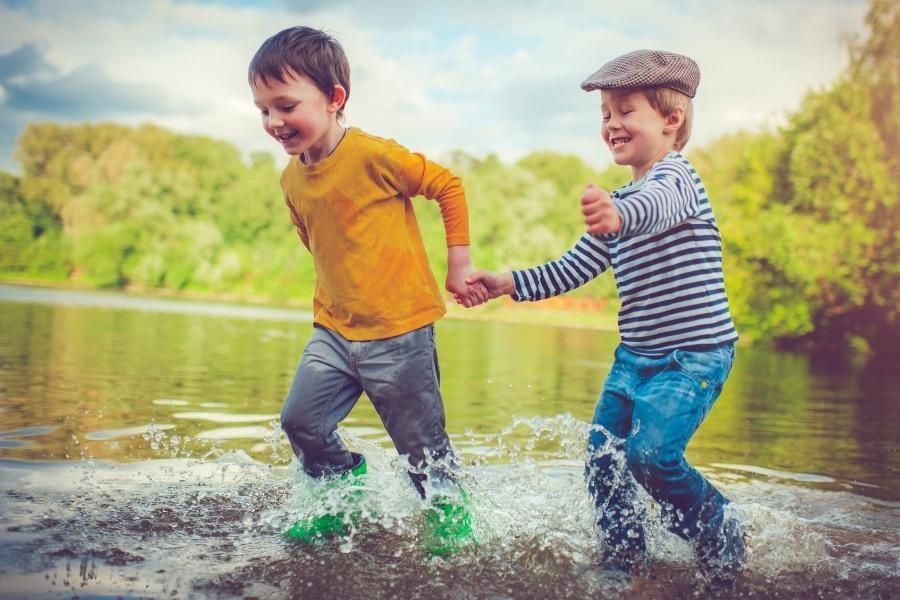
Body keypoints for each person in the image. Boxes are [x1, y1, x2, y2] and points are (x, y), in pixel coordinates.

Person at [463, 50, 746, 580]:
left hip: (693, 357)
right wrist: (508, 283)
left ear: (671, 119)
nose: (611, 123)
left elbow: (652, 208)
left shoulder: (677, 180)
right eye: (605, 115)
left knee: (650, 455)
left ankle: (718, 525)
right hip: (634, 359)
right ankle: (624, 555)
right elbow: (573, 268)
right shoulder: (621, 201)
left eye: (624, 110)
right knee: (603, 461)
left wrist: (620, 214)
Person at [248, 26, 485, 553]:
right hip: (333, 329)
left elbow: (446, 185)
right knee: (301, 422)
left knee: (421, 450)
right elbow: (315, 240)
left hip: (399, 330)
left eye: (286, 105)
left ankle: (451, 520)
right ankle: (342, 489)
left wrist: (458, 263)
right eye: (263, 110)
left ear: (335, 99)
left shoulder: (372, 154)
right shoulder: (290, 179)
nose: (274, 122)